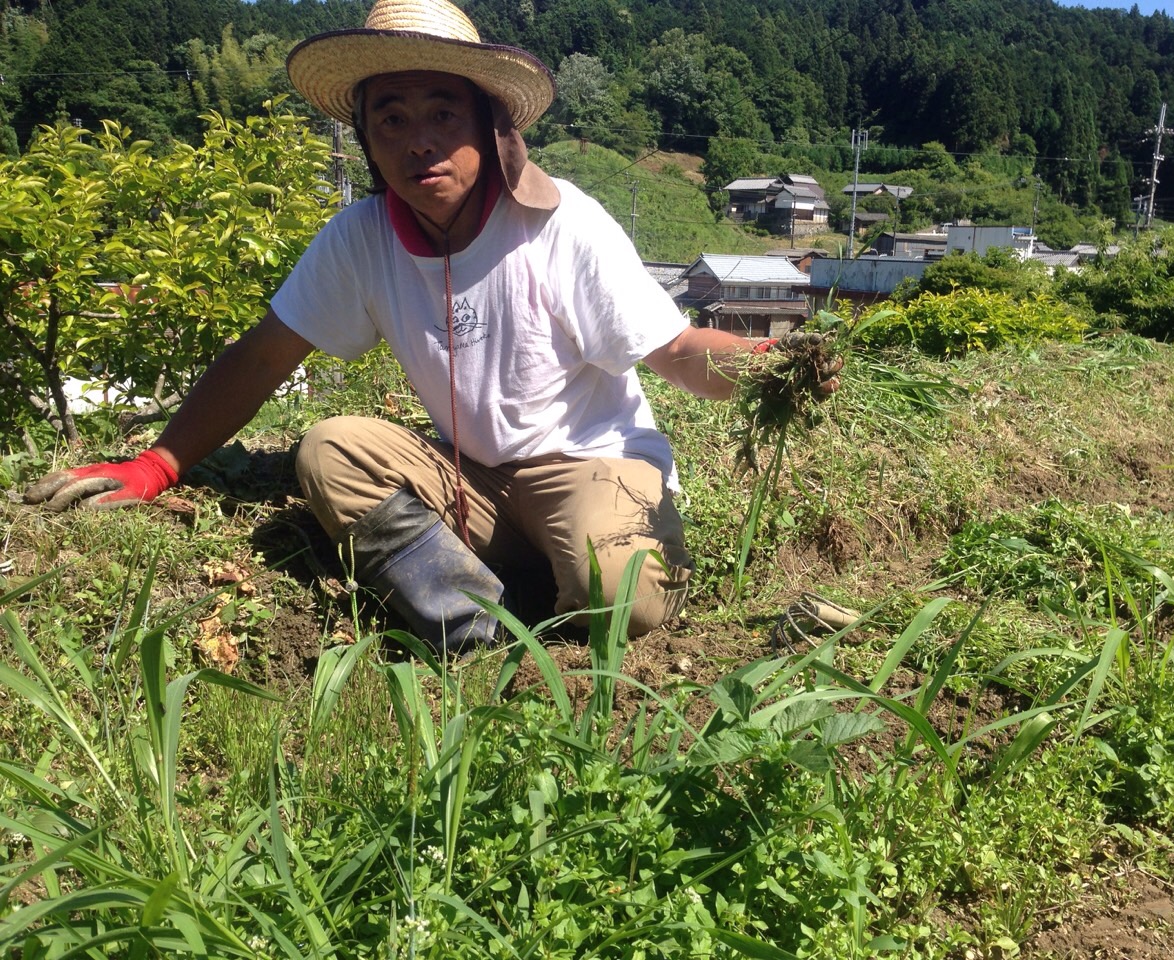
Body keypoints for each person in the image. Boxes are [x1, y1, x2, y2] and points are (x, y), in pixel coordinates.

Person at [24, 0, 839, 652]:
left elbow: (679, 350)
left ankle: (567, 583)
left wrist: (770, 363)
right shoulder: (360, 239)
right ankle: (480, 628)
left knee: (622, 599)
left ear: (491, 126)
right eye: (392, 120)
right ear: (367, 141)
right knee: (330, 449)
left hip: (589, 468)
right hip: (467, 478)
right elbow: (264, 356)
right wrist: (158, 464)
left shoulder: (562, 226)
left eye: (443, 115)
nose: (420, 144)